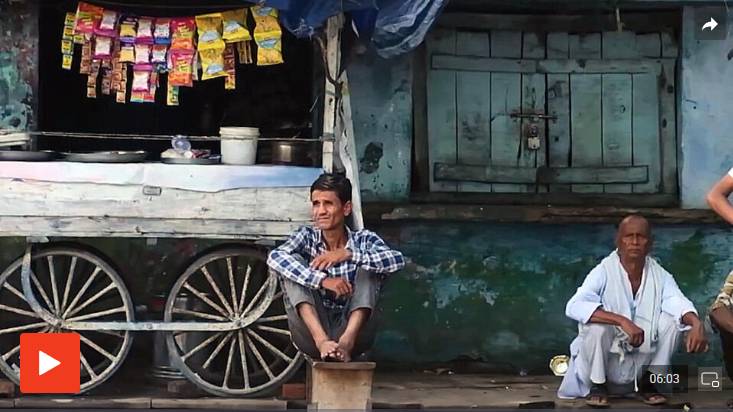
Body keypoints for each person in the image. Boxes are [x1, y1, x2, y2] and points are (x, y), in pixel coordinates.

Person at [557, 215, 707, 407]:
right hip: (600, 369)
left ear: (650, 243)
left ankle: (650, 383)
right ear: (619, 241)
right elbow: (574, 306)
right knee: (597, 327)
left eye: (641, 236)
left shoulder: (660, 275)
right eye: (629, 236)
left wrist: (696, 323)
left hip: (638, 370)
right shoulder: (603, 271)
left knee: (672, 321)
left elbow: (678, 302)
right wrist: (621, 321)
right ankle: (598, 386)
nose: (635, 242)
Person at [267, 173, 405, 362]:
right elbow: (275, 257)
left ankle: (346, 343)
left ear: (346, 208)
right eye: (316, 204)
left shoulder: (363, 239)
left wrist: (349, 254)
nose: (321, 211)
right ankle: (323, 341)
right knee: (293, 263)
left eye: (328, 204)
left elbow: (397, 260)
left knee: (369, 267)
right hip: (312, 334)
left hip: (356, 334)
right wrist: (322, 280)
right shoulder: (306, 237)